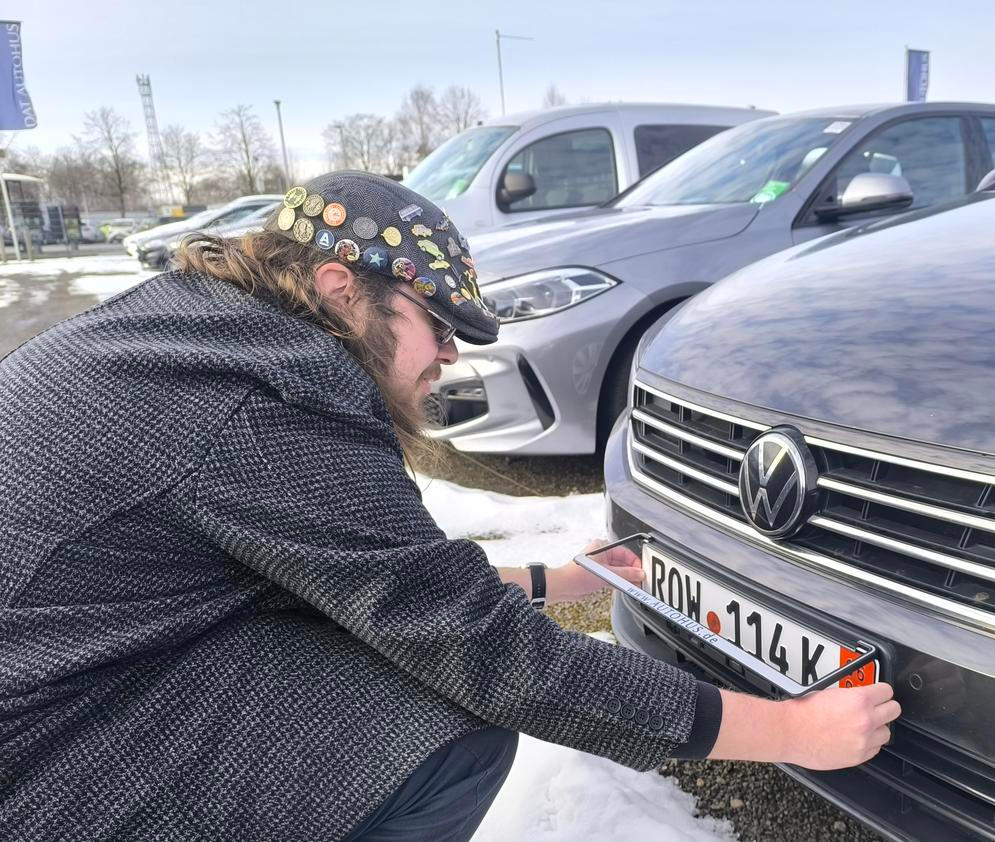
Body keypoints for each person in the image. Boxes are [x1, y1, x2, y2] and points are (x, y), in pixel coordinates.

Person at [0, 171, 899, 841]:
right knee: (441, 733)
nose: (448, 359)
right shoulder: (269, 394)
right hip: (44, 757)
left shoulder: (197, 326)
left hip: (68, 665)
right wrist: (788, 729)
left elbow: (353, 568)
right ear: (340, 289)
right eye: (437, 325)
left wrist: (549, 575)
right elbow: (479, 649)